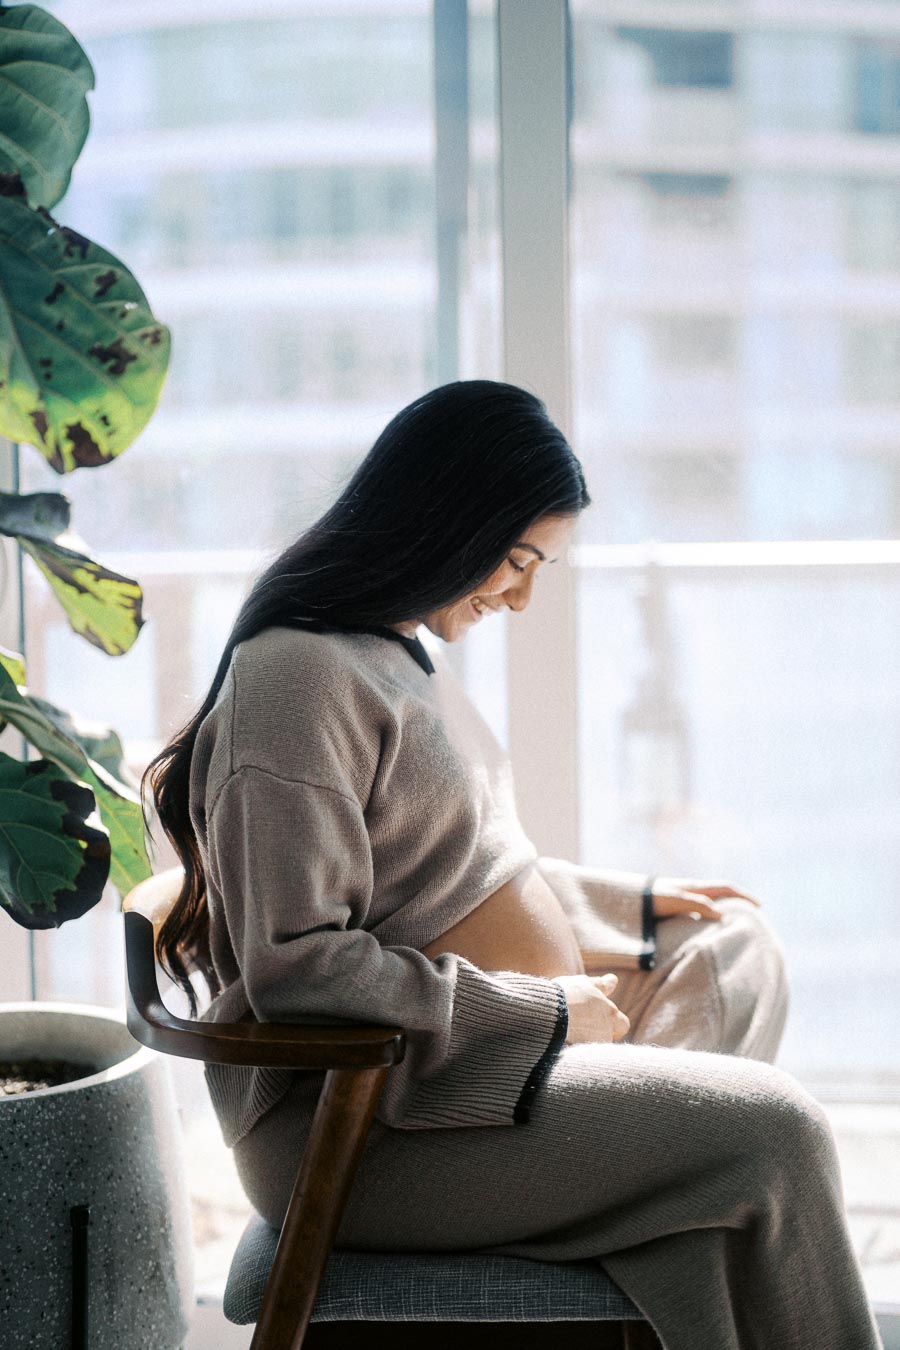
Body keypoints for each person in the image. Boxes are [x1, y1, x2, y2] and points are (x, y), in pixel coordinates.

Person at [144, 380, 881, 1350]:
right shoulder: (295, 680)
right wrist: (547, 1012)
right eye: (518, 559)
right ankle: (680, 1172)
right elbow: (299, 970)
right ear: (447, 523)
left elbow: (463, 871)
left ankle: (655, 1179)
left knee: (736, 948)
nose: (522, 596)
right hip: (374, 1121)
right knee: (776, 1132)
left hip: (472, 1071)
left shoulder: (389, 651)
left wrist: (639, 904)